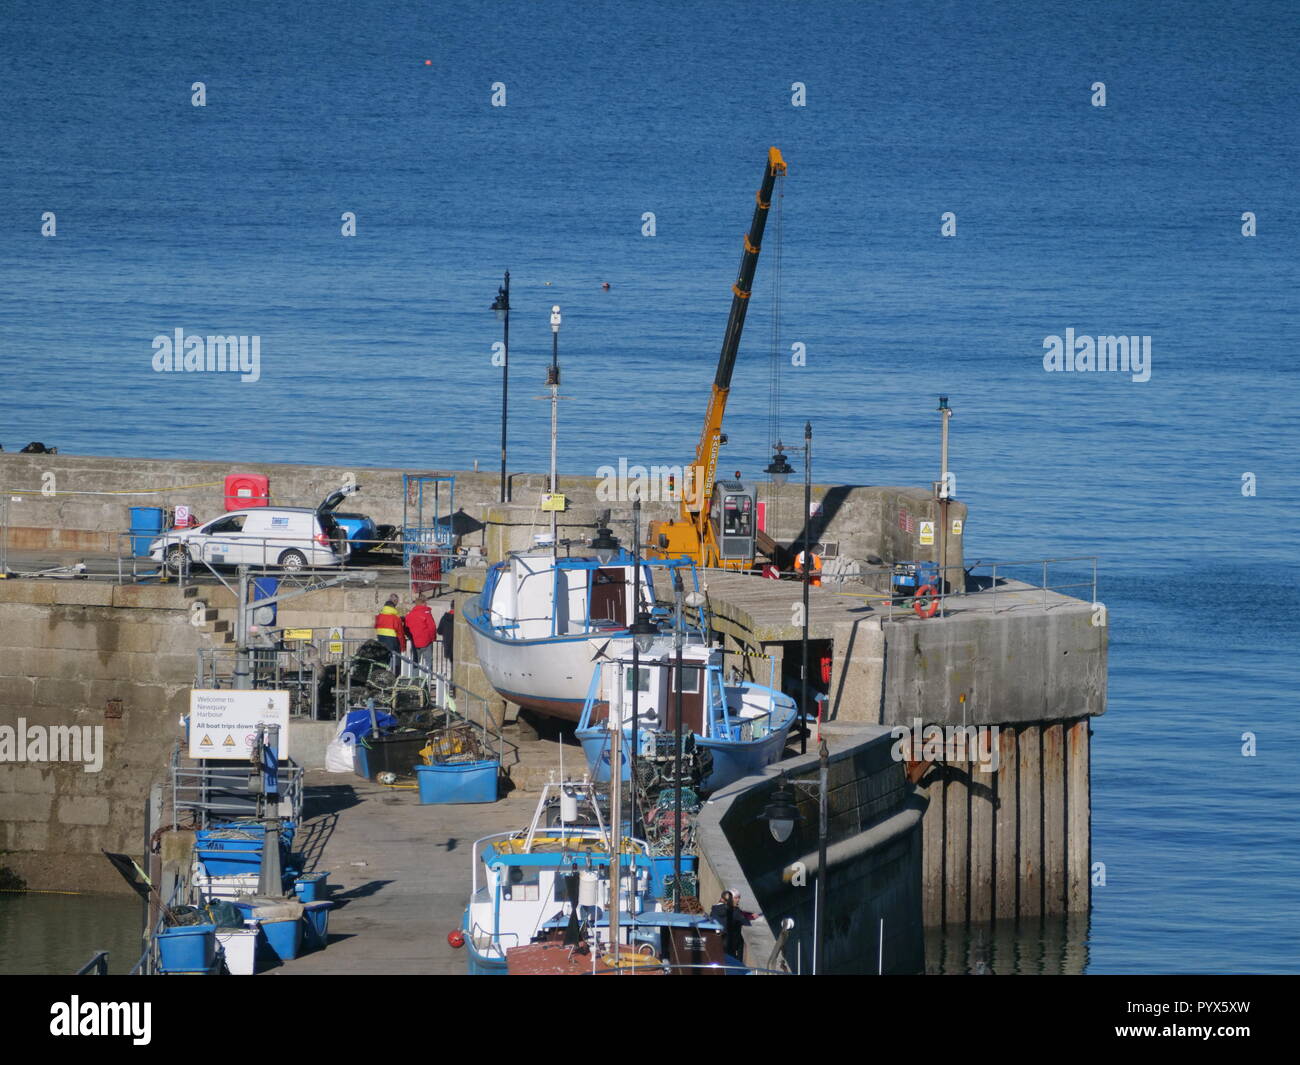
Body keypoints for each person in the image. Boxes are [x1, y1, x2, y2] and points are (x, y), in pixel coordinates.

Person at [709, 889, 757, 964]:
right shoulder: (734, 911)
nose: (738, 900)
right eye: (735, 898)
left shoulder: (714, 910)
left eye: (739, 898)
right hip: (731, 944)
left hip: (717, 942)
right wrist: (752, 917)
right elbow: (746, 922)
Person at [405, 594, 437, 678]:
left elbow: (406, 627)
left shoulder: (410, 615)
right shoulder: (426, 613)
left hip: (415, 642)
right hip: (427, 642)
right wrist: (433, 638)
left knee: (415, 662)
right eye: (426, 602)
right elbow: (432, 627)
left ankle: (414, 682)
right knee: (428, 662)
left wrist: (410, 637)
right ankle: (427, 682)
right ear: (423, 603)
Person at [374, 594, 405, 672]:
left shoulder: (379, 616)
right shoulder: (396, 618)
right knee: (396, 658)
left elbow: (376, 626)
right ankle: (396, 675)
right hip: (393, 641)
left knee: (383, 658)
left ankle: (381, 674)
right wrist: (403, 646)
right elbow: (400, 633)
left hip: (381, 639)